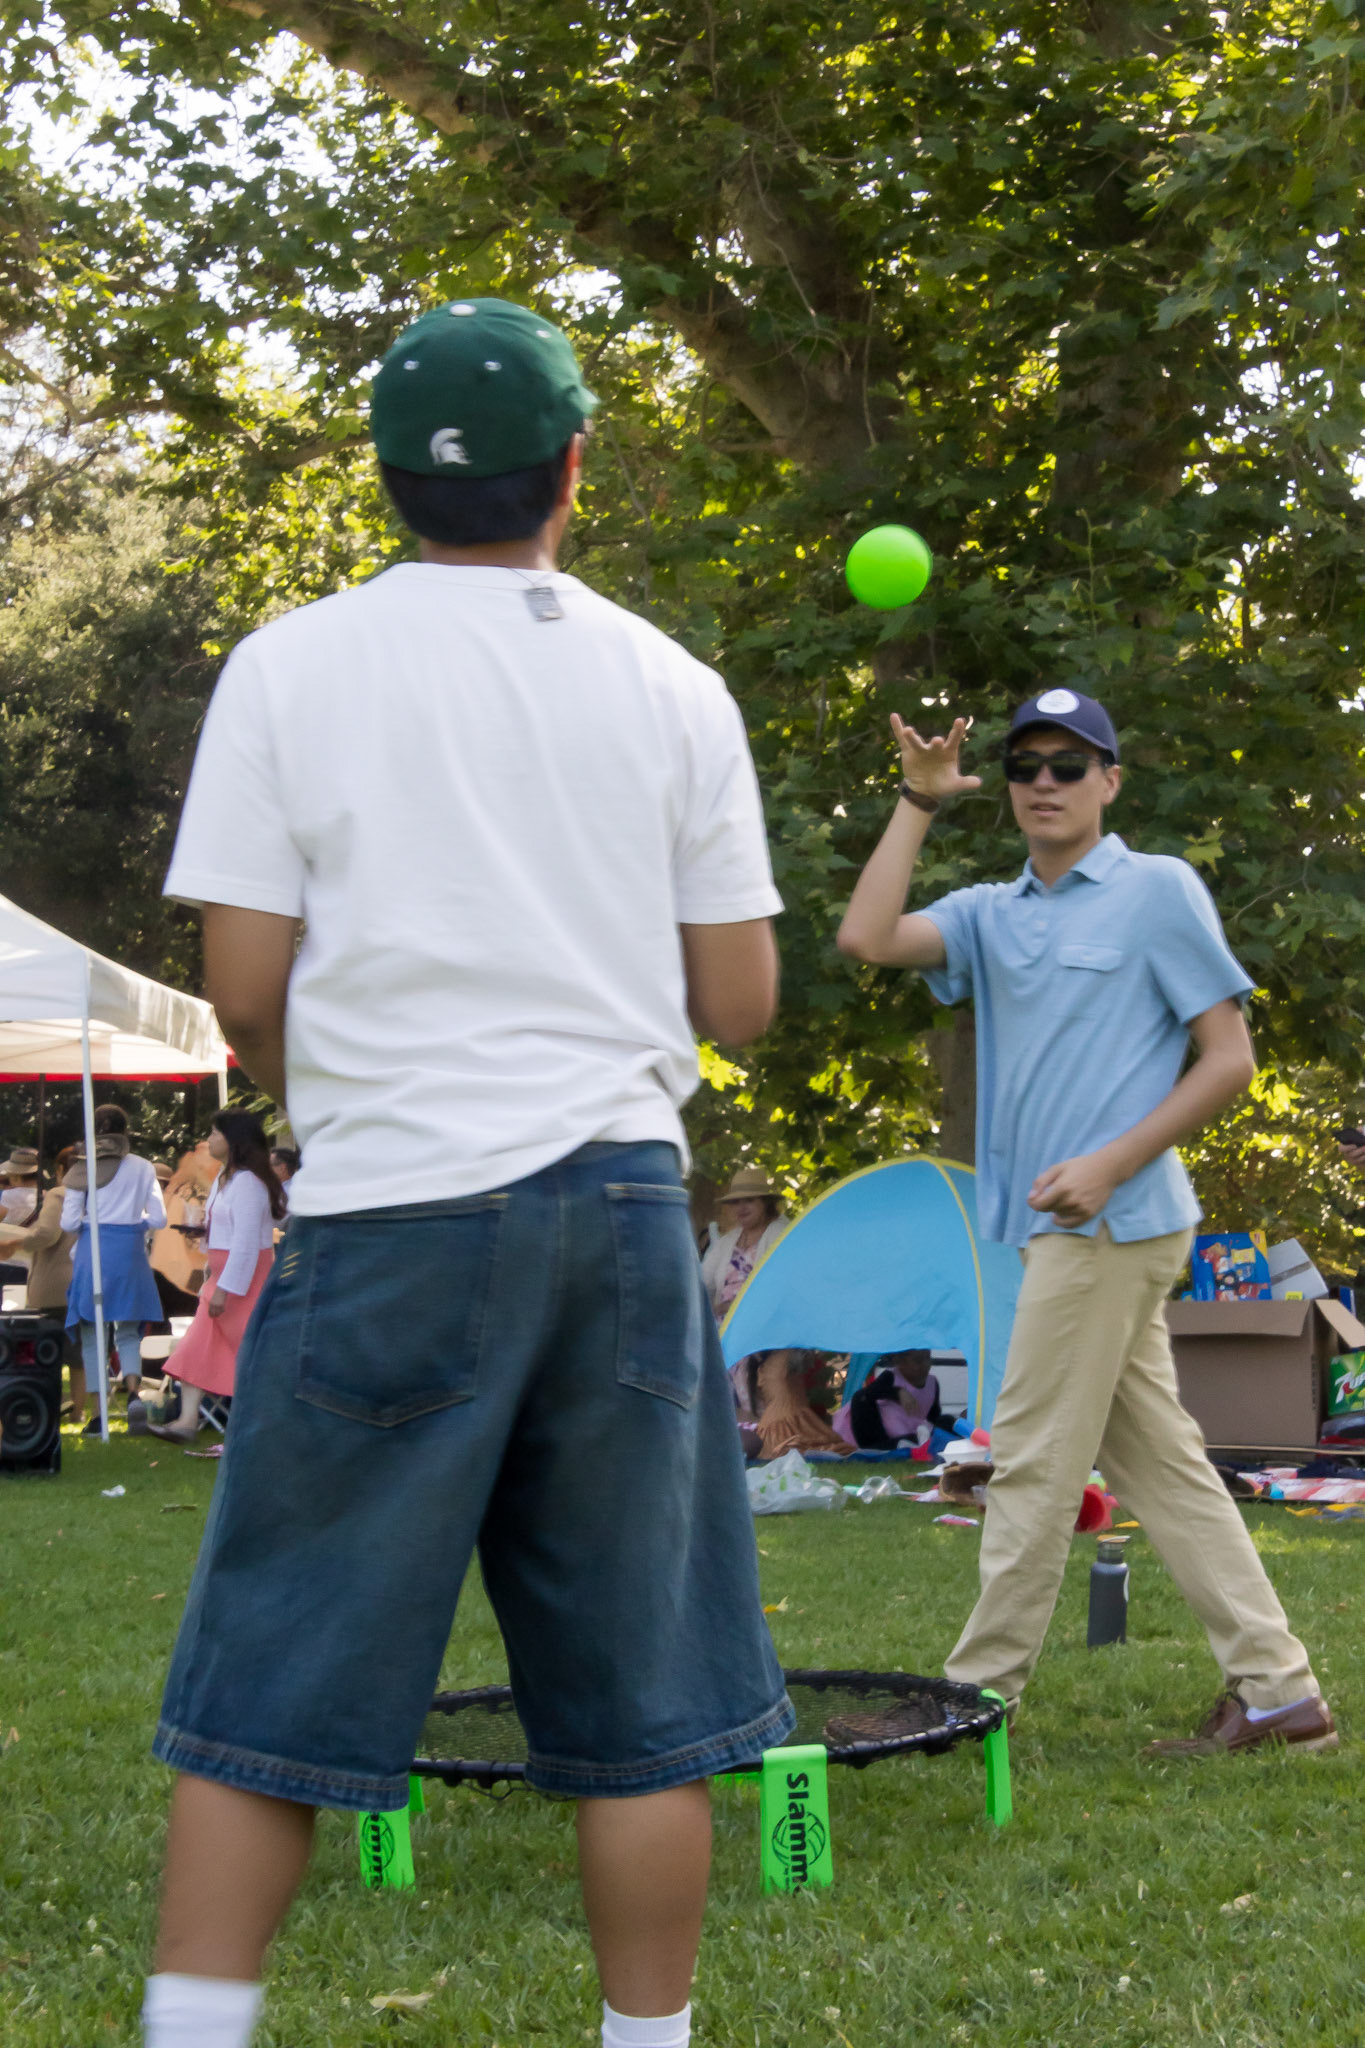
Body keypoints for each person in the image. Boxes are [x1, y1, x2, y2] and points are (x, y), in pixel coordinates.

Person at [144, 296, 790, 2048]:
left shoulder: (289, 665)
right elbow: (740, 1000)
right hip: (622, 1211)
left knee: (274, 1677)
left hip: (394, 1207)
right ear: (575, 465)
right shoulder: (673, 684)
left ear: (385, 477)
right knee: (642, 1704)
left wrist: (339, 1091)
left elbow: (246, 989)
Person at [835, 686, 1333, 1756]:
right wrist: (918, 800)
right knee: (1164, 1468)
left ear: (1110, 780)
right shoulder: (988, 912)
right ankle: (1278, 1692)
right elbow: (866, 934)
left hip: (1119, 1221)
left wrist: (1112, 1162)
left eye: (1070, 764)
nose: (1045, 782)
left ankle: (975, 1694)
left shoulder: (1157, 890)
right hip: (1059, 1232)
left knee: (1027, 1459)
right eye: (1026, 766)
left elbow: (1229, 1059)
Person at [149, 1112, 284, 1444]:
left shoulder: (249, 1183)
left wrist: (226, 1289)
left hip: (243, 1282)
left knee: (248, 1354)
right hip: (222, 1277)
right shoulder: (227, 1177)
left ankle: (256, 1430)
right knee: (196, 1348)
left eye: (214, 1133)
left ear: (233, 1139)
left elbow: (246, 1244)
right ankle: (186, 1421)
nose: (208, 1140)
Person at [61, 1104, 166, 1419]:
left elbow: (68, 1223)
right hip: (130, 1251)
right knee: (129, 1331)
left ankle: (98, 1413)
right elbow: (159, 1219)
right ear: (126, 1131)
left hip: (93, 1251)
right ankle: (133, 1392)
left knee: (93, 1333)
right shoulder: (144, 1167)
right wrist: (134, 1222)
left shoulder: (83, 1167)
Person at [0, 1146, 82, 1420]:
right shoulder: (93, 1195)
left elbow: (46, 1234)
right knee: (78, 1354)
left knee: (35, 1348)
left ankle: (40, 1404)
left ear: (60, 1170)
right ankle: (80, 1411)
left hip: (49, 1281)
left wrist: (15, 1242)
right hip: (81, 1281)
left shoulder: (57, 1195)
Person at [700, 1166, 789, 1319]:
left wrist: (735, 1306)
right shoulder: (727, 1241)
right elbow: (701, 1282)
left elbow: (783, 1289)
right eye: (736, 1202)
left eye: (749, 1200)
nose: (741, 1208)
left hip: (763, 1325)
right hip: (723, 1327)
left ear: (765, 1203)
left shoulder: (782, 1235)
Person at [833, 1349, 944, 1451]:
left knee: (945, 1421)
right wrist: (898, 1392)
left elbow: (933, 1414)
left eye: (928, 1358)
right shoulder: (891, 1377)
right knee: (861, 1398)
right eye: (918, 1361)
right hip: (883, 1433)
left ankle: (914, 1443)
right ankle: (876, 1448)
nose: (925, 1365)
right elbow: (869, 1393)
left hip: (912, 1431)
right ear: (899, 1362)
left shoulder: (932, 1383)